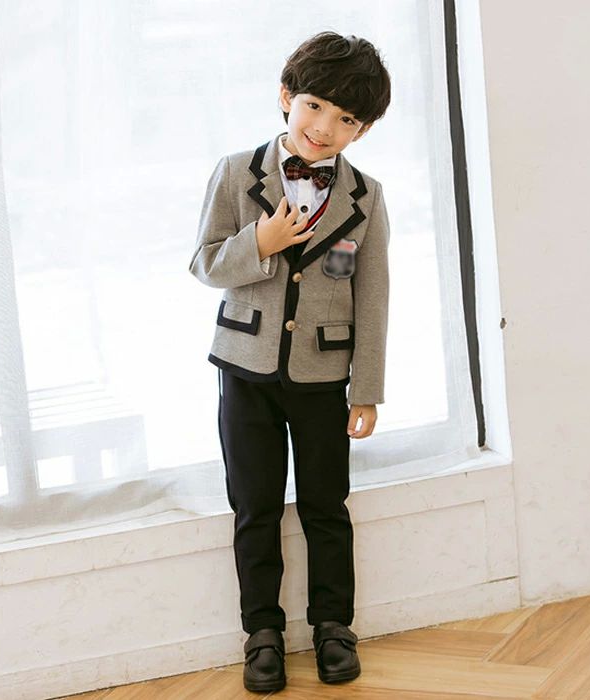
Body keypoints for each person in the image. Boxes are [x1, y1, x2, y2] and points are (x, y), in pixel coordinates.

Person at [188, 30, 391, 693]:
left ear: (362, 130)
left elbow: (371, 294)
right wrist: (262, 240)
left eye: (346, 118)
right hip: (244, 369)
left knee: (327, 505)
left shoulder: (366, 196)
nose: (325, 127)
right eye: (315, 106)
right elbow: (205, 263)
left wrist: (366, 389)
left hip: (323, 376)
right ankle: (263, 635)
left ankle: (334, 627)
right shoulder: (234, 173)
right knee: (256, 506)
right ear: (286, 97)